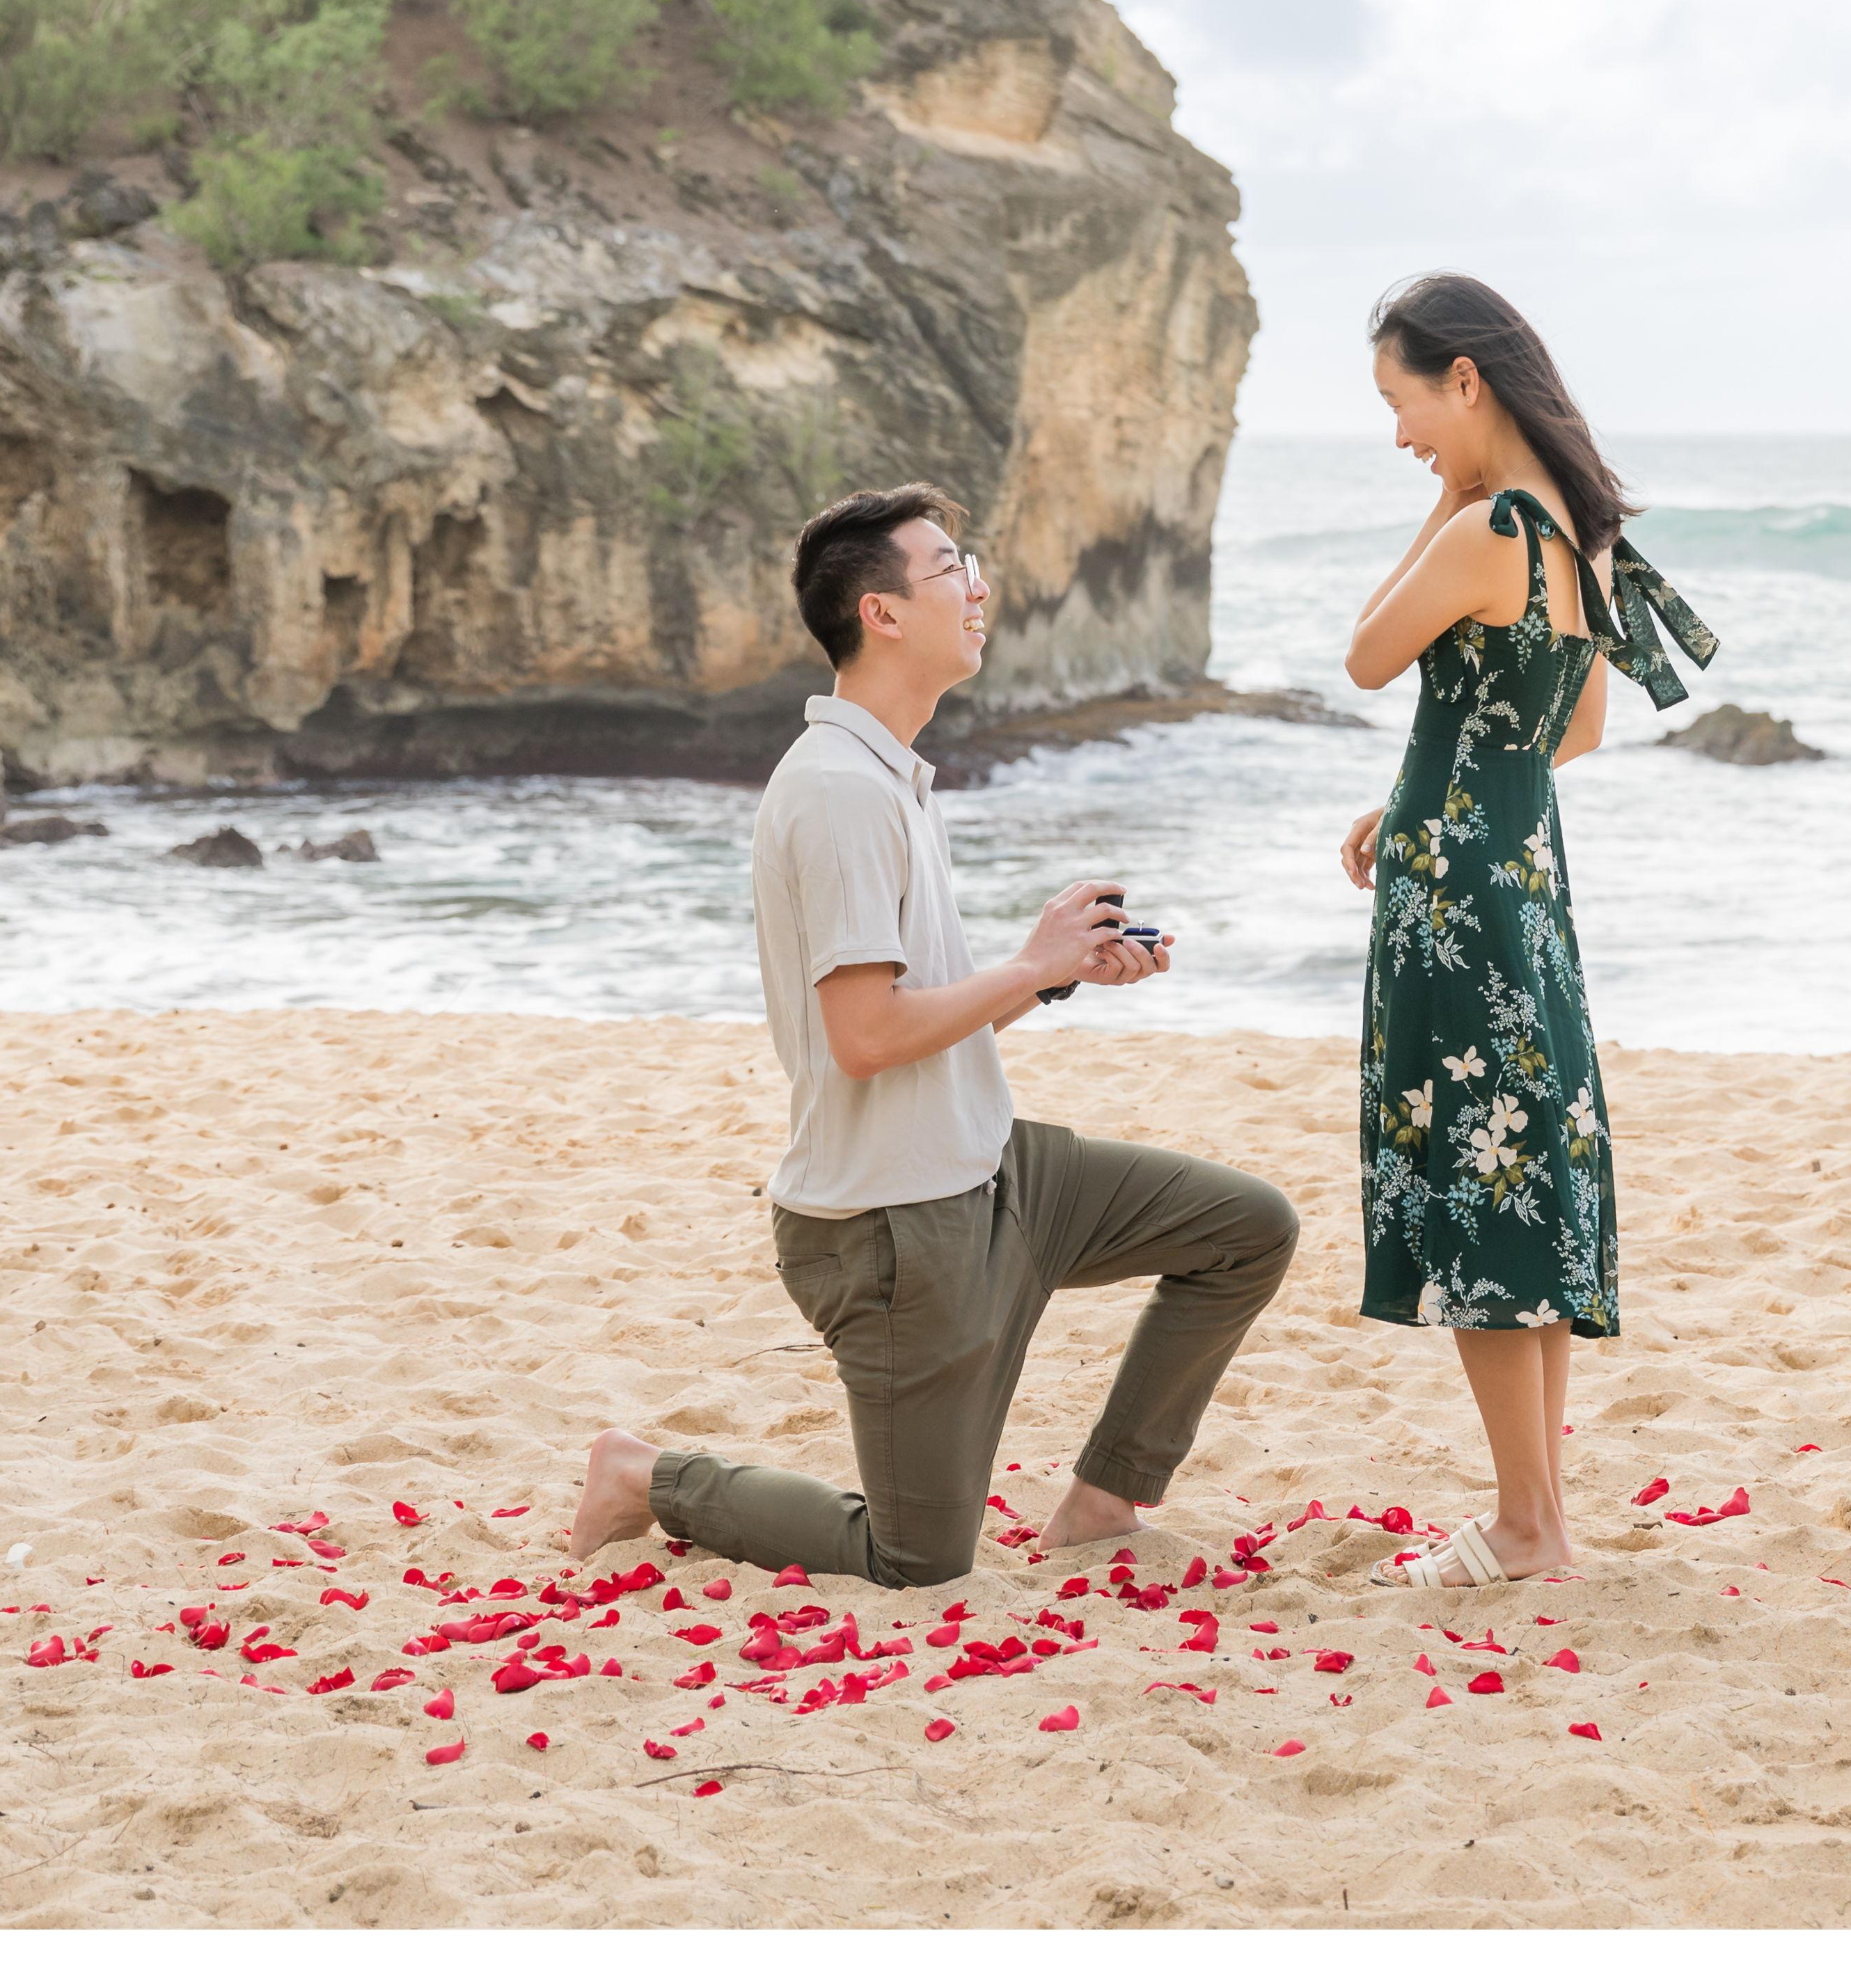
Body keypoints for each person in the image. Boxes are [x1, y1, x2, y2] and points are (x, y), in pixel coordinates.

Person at [569, 483, 1299, 1582]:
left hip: (995, 1171)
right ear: (882, 614)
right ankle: (643, 1477)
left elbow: (918, 1006)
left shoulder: (889, 775)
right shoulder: (838, 792)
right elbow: (865, 1037)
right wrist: (1031, 964)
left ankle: (1105, 1500)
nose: (981, 588)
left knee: (1246, 1228)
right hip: (894, 1226)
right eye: (951, 568)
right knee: (916, 1557)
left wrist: (1054, 976)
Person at [1334, 274, 1715, 1588]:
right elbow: (1577, 730)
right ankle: (1540, 1520)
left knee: (1478, 1192)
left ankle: (1524, 1525)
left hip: (1454, 907)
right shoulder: (1576, 531)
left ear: (1466, 379)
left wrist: (1442, 508)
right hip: (1526, 884)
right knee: (1526, 1182)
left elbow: (1369, 658)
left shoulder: (1487, 525)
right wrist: (1422, 799)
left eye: (1403, 405)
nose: (1402, 439)